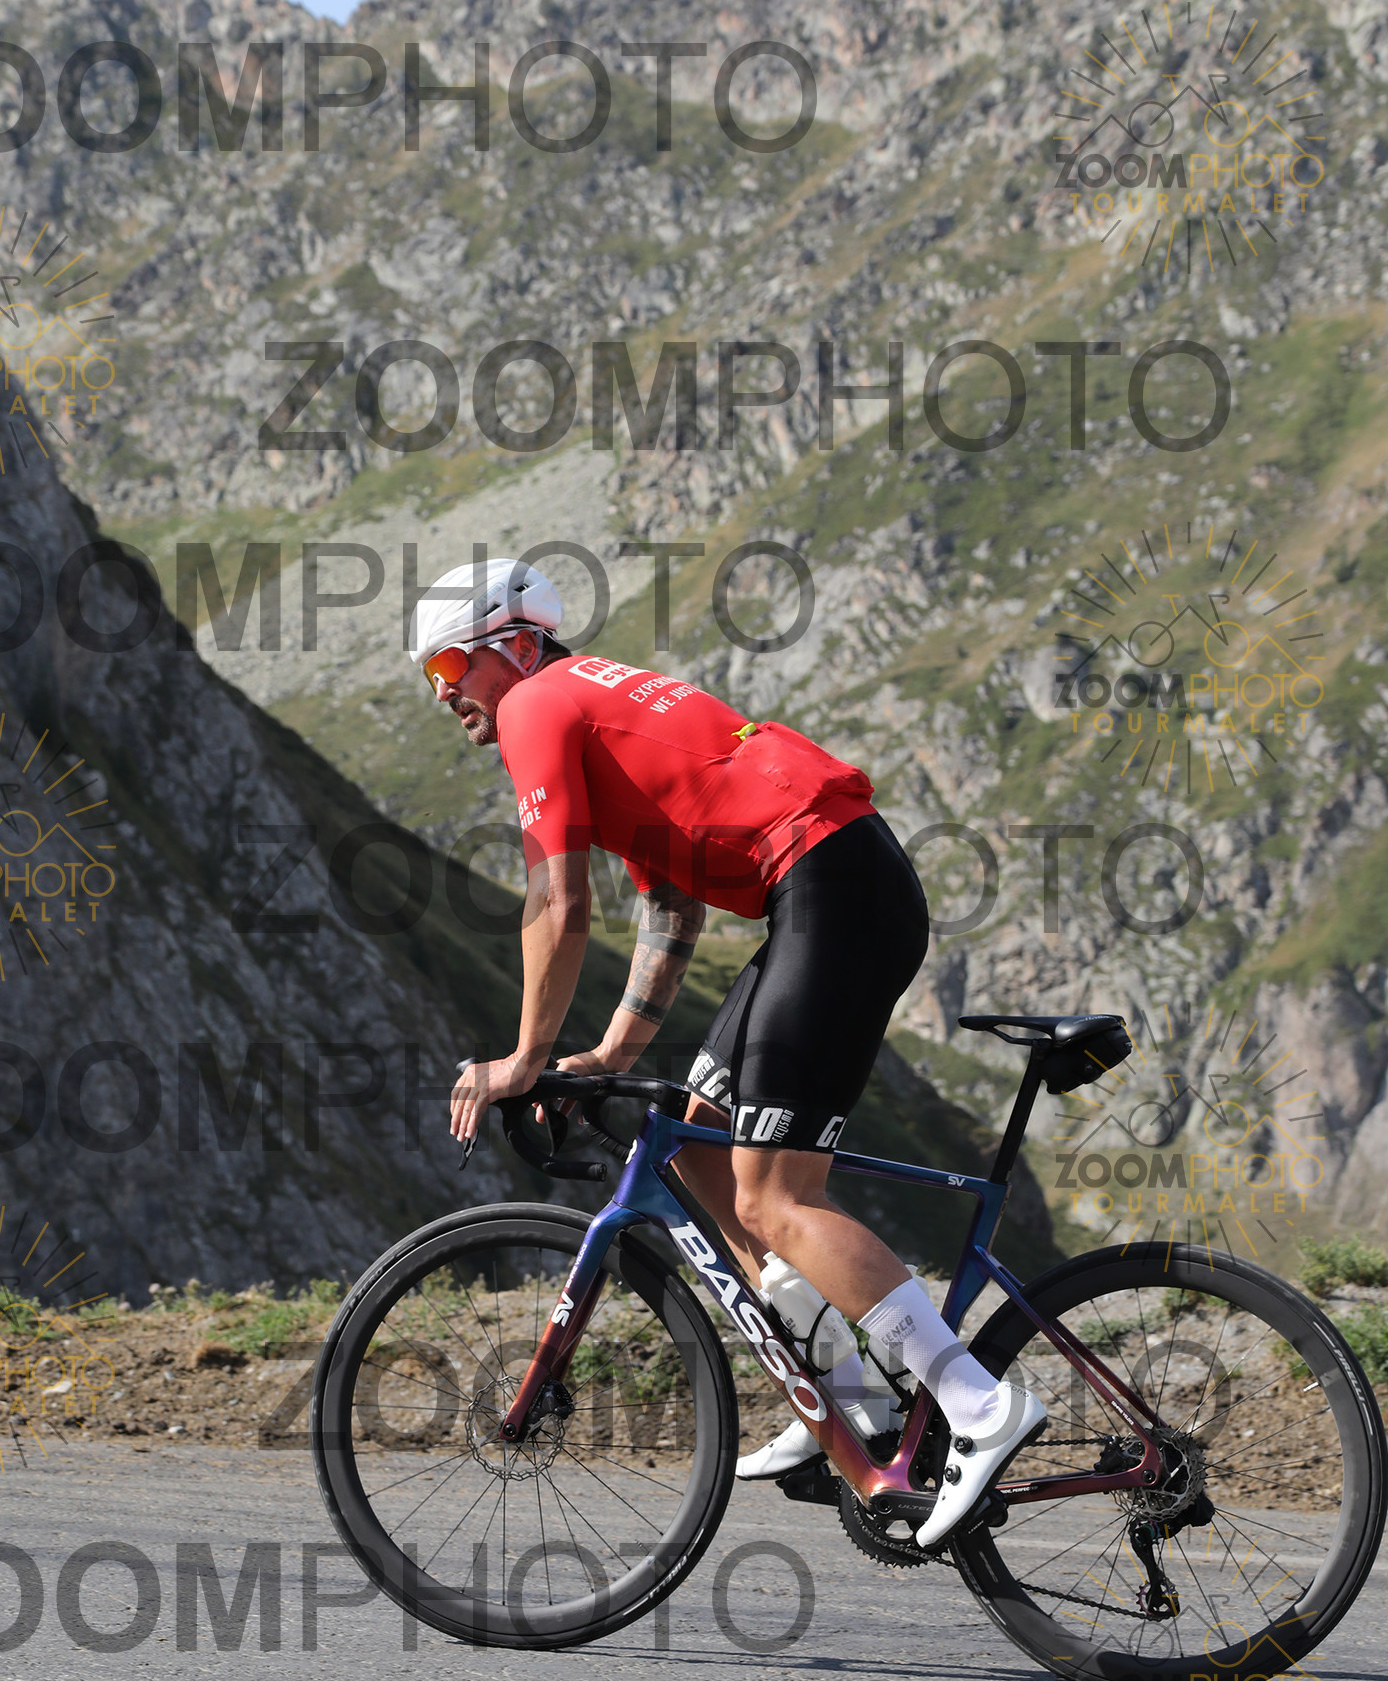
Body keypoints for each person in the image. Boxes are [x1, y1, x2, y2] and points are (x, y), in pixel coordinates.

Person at [414, 557, 1044, 1549]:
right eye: (429, 676)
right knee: (702, 1149)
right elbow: (670, 904)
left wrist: (524, 1058)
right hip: (828, 887)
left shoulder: (537, 702)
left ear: (518, 644)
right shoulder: (586, 703)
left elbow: (557, 902)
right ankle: (849, 1398)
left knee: (774, 1199)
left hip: (832, 888)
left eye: (452, 663)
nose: (443, 691)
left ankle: (976, 1402)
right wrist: (609, 1050)